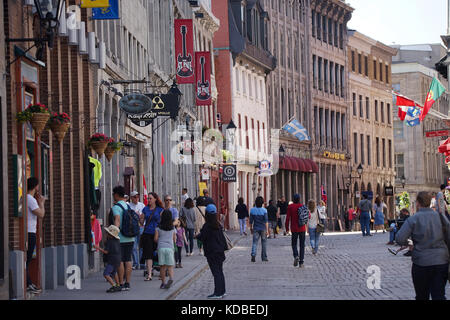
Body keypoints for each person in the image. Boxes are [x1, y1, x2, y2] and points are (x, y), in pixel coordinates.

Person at [395, 191, 450, 300]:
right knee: (439, 295)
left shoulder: (413, 219)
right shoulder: (441, 217)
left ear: (418, 203)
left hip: (421, 262)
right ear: (429, 202)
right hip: (440, 261)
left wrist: (409, 242)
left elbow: (399, 238)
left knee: (422, 296)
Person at [196, 204, 227, 299]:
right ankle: (222, 291)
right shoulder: (218, 225)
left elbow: (203, 237)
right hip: (220, 252)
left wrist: (197, 235)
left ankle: (217, 293)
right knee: (220, 272)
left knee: (216, 273)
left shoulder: (207, 226)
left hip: (212, 253)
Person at [111, 186, 136, 291]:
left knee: (120, 261)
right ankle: (128, 283)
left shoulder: (116, 207)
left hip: (120, 238)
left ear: (116, 195)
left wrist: (114, 234)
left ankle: (121, 282)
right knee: (128, 260)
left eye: (113, 194)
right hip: (130, 237)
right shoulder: (128, 206)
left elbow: (117, 219)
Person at [26, 177, 45, 294]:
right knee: (27, 259)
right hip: (30, 232)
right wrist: (41, 203)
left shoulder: (27, 198)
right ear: (36, 187)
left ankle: (29, 282)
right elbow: (41, 214)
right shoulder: (30, 199)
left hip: (30, 231)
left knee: (27, 259)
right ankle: (28, 283)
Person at [140, 192, 163, 281]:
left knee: (159, 253)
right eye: (148, 199)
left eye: (150, 198)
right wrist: (140, 219)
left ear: (155, 199)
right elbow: (141, 222)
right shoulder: (145, 209)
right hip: (147, 233)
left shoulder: (160, 209)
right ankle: (149, 274)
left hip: (157, 233)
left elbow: (162, 221)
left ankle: (162, 272)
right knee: (148, 254)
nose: (148, 200)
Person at [94, 225, 121, 293]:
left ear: (110, 235)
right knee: (114, 273)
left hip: (112, 260)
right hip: (117, 259)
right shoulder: (117, 241)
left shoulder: (110, 242)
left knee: (106, 274)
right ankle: (118, 285)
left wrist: (97, 247)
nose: (106, 234)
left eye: (107, 233)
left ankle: (114, 285)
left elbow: (106, 252)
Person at [155, 209, 177, 289]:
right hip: (170, 247)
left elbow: (155, 239)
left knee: (162, 267)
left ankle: (163, 283)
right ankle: (171, 278)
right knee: (170, 266)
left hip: (161, 247)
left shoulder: (158, 227)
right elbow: (174, 239)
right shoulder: (172, 228)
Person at [286, 194, 310, 267]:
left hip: (294, 228)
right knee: (302, 245)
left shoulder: (290, 207)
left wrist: (287, 228)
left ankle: (296, 255)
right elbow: (308, 216)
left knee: (294, 244)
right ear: (299, 199)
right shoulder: (303, 206)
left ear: (293, 199)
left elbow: (287, 219)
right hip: (302, 228)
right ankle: (301, 262)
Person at [128, 191, 145, 270]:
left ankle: (142, 263)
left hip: (141, 227)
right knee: (133, 246)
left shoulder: (142, 205)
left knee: (141, 246)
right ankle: (135, 263)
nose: (136, 198)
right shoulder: (129, 206)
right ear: (131, 198)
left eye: (137, 196)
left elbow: (144, 216)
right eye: (134, 197)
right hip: (132, 228)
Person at [249, 196, 269, 262]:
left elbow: (251, 221)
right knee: (264, 243)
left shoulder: (252, 210)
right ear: (262, 203)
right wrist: (267, 230)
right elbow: (266, 221)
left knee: (255, 242)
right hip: (263, 228)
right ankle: (264, 257)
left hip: (256, 228)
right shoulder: (264, 210)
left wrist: (251, 228)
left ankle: (253, 254)